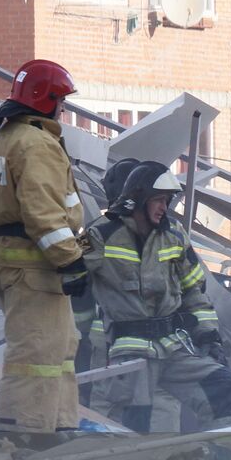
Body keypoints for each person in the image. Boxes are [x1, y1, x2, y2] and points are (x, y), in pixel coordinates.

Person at [82, 161, 231, 434]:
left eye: (167, 200)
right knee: (144, 426)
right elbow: (64, 267)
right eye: (158, 199)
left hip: (173, 347)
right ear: (139, 198)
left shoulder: (174, 235)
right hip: (129, 353)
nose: (164, 207)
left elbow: (194, 289)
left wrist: (209, 334)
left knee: (222, 385)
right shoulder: (99, 233)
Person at [0, 59, 85, 433]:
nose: (65, 109)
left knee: (59, 348)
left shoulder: (6, 138)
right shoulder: (36, 143)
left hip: (19, 263)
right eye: (62, 101)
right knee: (37, 353)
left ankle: (59, 424)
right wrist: (71, 260)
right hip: (37, 267)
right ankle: (25, 434)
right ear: (47, 99)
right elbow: (42, 211)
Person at [72, 157, 139, 404]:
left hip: (108, 340)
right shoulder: (167, 229)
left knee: (106, 406)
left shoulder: (94, 232)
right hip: (160, 340)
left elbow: (73, 271)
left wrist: (80, 330)